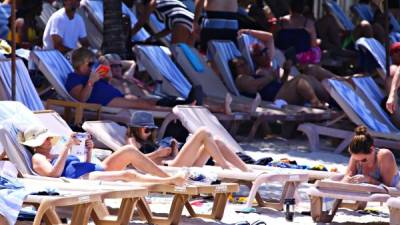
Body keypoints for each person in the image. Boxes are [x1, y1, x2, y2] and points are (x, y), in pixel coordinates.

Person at [19, 125, 186, 185]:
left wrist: (89, 150)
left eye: (49, 137)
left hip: (92, 169)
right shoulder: (38, 158)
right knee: (128, 174)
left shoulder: (53, 154)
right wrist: (66, 148)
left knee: (129, 151)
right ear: (35, 145)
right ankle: (168, 181)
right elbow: (53, 174)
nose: (49, 140)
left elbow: (83, 163)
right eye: (45, 139)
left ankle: (168, 179)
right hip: (82, 178)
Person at [65, 47, 203, 110]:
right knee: (146, 105)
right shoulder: (73, 78)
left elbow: (104, 84)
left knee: (147, 100)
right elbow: (81, 100)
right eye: (90, 64)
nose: (92, 66)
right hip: (105, 102)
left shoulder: (90, 74)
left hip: (117, 96)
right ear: (80, 64)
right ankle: (181, 108)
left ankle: (183, 102)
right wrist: (91, 81)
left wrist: (106, 77)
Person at [126, 111, 250, 171]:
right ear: (135, 129)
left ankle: (245, 169)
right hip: (169, 171)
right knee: (203, 132)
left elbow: (165, 159)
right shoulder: (132, 140)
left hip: (173, 165)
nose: (149, 133)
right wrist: (158, 154)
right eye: (146, 129)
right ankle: (225, 167)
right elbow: (133, 162)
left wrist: (173, 151)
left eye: (151, 129)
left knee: (216, 140)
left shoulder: (149, 141)